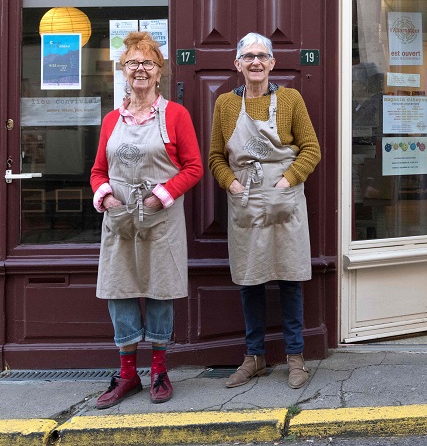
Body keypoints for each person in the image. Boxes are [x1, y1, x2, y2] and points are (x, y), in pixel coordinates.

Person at [90, 31, 203, 409]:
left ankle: (158, 370)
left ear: (159, 72)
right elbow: (98, 170)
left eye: (148, 63)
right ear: (123, 71)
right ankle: (126, 375)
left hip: (160, 217)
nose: (140, 69)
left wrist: (162, 195)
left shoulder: (176, 115)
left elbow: (194, 167)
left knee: (159, 290)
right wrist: (105, 196)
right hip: (119, 219)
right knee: (119, 292)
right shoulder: (111, 119)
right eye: (133, 63)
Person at [209, 32, 321, 389]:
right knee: (249, 279)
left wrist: (288, 181)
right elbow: (214, 157)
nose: (255, 62)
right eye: (248, 56)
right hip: (245, 202)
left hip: (284, 199)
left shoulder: (290, 98)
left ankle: (295, 356)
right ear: (237, 64)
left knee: (289, 278)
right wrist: (233, 184)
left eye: (262, 56)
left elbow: (311, 149)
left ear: (273, 63)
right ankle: (254, 356)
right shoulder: (225, 104)